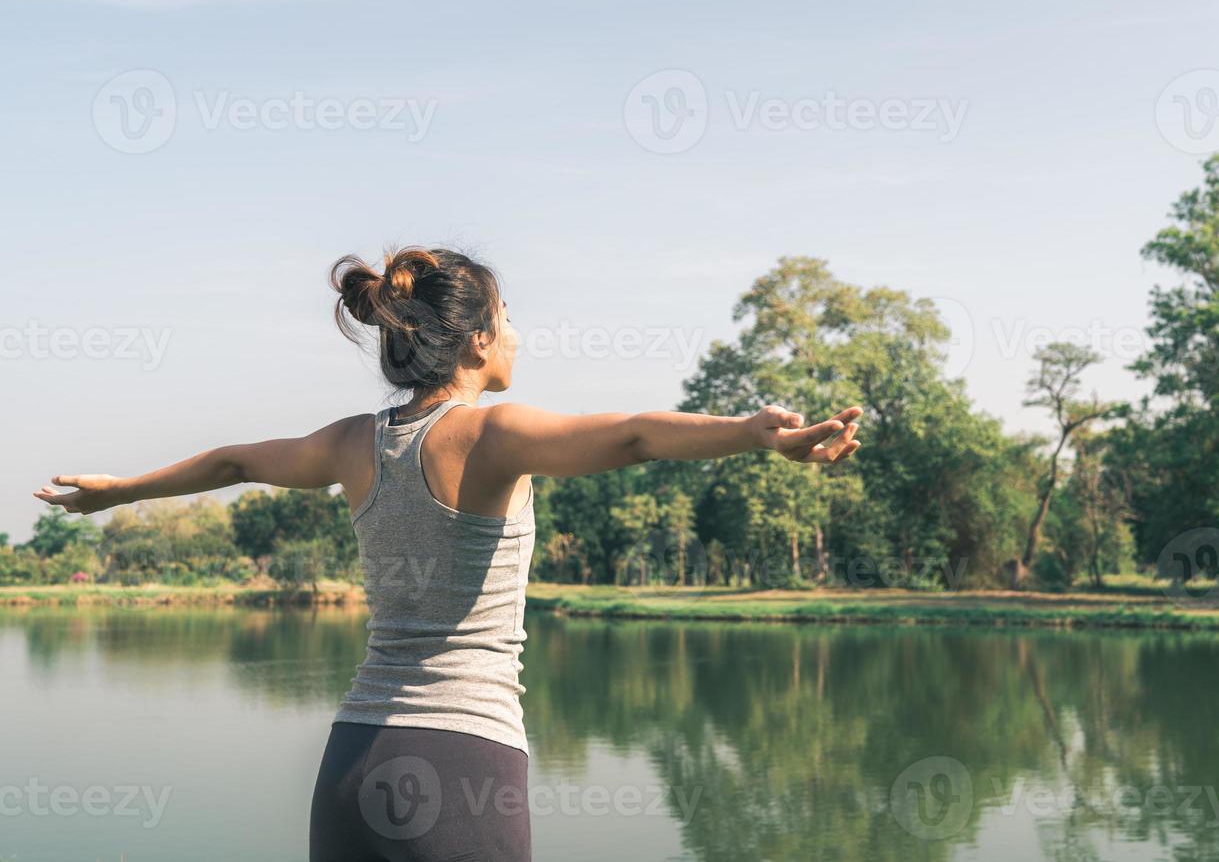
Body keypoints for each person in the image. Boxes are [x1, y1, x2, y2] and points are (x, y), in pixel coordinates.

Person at [33, 246, 863, 862]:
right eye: (506, 320)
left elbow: (237, 463)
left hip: (350, 766)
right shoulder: (491, 433)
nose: (515, 335)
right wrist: (755, 435)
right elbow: (636, 435)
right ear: (473, 342)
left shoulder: (353, 443)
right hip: (462, 764)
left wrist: (121, 492)